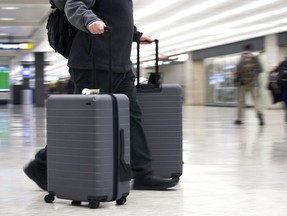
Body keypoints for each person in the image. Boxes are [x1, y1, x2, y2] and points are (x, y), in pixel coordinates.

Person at [23, 0, 178, 191]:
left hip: (120, 65)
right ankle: (40, 165)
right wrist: (89, 21)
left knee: (131, 117)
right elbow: (74, 4)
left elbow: (115, 17)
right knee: (82, 121)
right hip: (93, 64)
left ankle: (142, 173)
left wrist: (135, 35)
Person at [234, 44, 264, 126]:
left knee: (241, 101)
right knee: (255, 100)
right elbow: (260, 70)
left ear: (244, 49)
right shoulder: (255, 58)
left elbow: (237, 71)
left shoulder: (240, 58)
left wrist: (237, 80)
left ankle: (239, 119)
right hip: (253, 83)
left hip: (242, 83)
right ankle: (259, 114)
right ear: (251, 49)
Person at [275, 54, 287, 122]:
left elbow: (275, 71)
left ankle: (286, 111)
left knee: (285, 99)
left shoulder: (281, 64)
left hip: (283, 84)